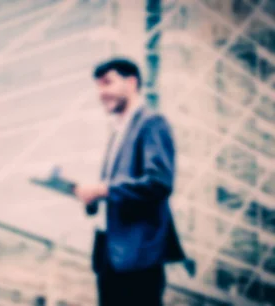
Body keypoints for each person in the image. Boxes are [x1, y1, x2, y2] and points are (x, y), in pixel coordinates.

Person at [73, 58, 185, 305]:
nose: (101, 93)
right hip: (109, 254)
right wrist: (91, 198)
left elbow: (159, 182)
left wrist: (102, 189)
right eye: (98, 86)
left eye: (107, 83)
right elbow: (115, 192)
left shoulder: (152, 124)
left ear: (131, 82)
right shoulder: (117, 133)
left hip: (138, 255)